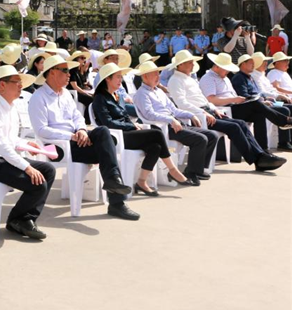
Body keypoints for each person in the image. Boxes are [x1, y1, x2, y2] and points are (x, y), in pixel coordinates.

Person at [28, 55, 138, 219]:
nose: (69, 74)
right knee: (106, 153)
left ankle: (113, 183)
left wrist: (81, 130)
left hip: (77, 141)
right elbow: (42, 130)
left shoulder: (65, 94)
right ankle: (117, 201)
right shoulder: (38, 97)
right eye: (64, 70)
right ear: (51, 73)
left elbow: (78, 117)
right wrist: (71, 136)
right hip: (57, 146)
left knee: (102, 132)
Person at [166, 50, 286, 171]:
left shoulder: (189, 79)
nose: (193, 64)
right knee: (234, 127)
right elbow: (182, 104)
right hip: (198, 116)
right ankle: (257, 159)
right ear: (180, 65)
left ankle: (260, 155)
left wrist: (213, 109)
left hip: (209, 111)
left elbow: (204, 99)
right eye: (190, 62)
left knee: (241, 123)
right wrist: (204, 112)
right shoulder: (175, 80)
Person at [0, 65, 55, 239]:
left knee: (48, 170)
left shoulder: (10, 107)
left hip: (2, 159)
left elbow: (10, 139)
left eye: (21, 82)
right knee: (37, 183)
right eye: (16, 82)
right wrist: (26, 167)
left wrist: (27, 145)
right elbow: (1, 145)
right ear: (1, 85)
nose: (20, 86)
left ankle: (24, 218)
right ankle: (18, 219)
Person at [93, 63, 197, 191]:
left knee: (155, 147)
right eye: (118, 77)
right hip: (116, 136)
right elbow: (107, 123)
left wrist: (133, 125)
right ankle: (173, 170)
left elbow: (125, 117)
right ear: (107, 79)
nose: (121, 80)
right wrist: (131, 126)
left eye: (121, 77)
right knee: (156, 133)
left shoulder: (118, 97)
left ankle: (141, 181)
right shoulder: (99, 98)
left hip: (127, 132)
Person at [133, 61, 218, 184]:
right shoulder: (142, 94)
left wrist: (191, 114)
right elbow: (149, 114)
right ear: (145, 76)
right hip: (165, 127)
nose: (158, 77)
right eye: (155, 74)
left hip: (176, 123)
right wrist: (171, 119)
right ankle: (192, 172)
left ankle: (197, 169)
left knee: (212, 136)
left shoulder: (158, 91)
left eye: (158, 74)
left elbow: (174, 109)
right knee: (200, 139)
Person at [200, 53, 292, 152]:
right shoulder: (208, 78)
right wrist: (234, 100)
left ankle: (263, 149)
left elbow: (234, 95)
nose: (228, 71)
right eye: (226, 68)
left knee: (259, 114)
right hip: (225, 110)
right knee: (256, 103)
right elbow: (211, 100)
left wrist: (238, 99)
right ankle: (282, 121)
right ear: (217, 66)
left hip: (235, 106)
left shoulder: (225, 78)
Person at [232, 54, 292, 151]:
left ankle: (263, 149)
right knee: (282, 109)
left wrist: (266, 99)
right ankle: (283, 122)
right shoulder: (239, 78)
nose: (253, 65)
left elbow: (258, 93)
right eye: (251, 63)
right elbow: (244, 96)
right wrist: (262, 101)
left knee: (262, 114)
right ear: (243, 64)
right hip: (244, 107)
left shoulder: (249, 77)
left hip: (256, 105)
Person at [93, 49, 137, 116]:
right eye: (112, 58)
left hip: (122, 102)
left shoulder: (115, 74)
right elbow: (106, 95)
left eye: (117, 59)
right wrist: (124, 99)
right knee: (140, 111)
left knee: (141, 108)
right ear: (105, 60)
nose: (115, 61)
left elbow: (122, 91)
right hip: (113, 105)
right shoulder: (102, 75)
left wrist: (129, 99)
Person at [67, 51, 93, 122]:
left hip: (80, 91)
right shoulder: (72, 71)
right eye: (82, 58)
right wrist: (85, 93)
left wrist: (86, 86)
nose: (84, 60)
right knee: (90, 99)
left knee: (94, 97)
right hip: (74, 93)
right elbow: (75, 86)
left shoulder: (79, 70)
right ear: (76, 59)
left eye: (84, 58)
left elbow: (81, 84)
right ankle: (87, 120)